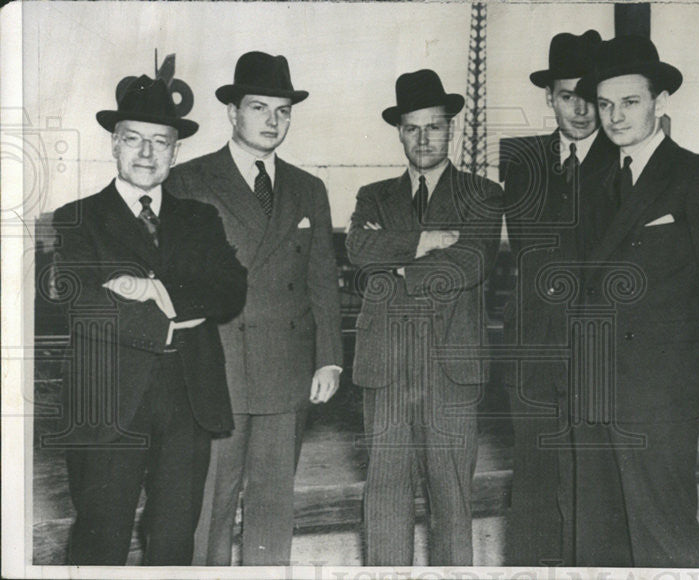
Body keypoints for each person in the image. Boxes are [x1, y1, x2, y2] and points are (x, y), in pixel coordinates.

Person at [48, 75, 247, 565]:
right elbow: (84, 304)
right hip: (108, 405)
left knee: (175, 541)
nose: (146, 152)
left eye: (161, 142)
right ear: (115, 144)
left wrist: (153, 290)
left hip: (188, 402)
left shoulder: (200, 218)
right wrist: (172, 321)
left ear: (175, 153)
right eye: (134, 139)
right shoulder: (78, 218)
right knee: (101, 538)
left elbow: (230, 289)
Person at [572, 35, 699, 568]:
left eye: (630, 102)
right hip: (593, 383)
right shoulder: (593, 179)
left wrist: (689, 367)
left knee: (661, 531)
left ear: (660, 102)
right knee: (599, 533)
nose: (615, 116)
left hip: (658, 389)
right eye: (605, 105)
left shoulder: (697, 177)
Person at [168, 51, 344, 566]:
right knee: (209, 509)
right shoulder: (191, 181)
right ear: (233, 113)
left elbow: (321, 281)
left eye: (283, 111)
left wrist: (329, 358)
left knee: (273, 508)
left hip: (288, 372)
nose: (272, 121)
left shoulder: (309, 188)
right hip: (217, 366)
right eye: (259, 108)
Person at [346, 69, 502, 566]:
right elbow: (356, 247)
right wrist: (425, 242)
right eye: (412, 128)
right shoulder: (373, 195)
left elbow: (472, 262)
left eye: (434, 126)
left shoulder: (482, 193)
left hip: (450, 369)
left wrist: (392, 266)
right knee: (384, 494)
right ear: (399, 132)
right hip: (385, 367)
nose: (423, 138)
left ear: (451, 128)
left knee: (451, 498)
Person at [498, 29, 616, 567]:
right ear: (549, 96)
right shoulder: (519, 159)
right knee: (535, 486)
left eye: (592, 97)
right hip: (536, 354)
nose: (582, 109)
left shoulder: (625, 160)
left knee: (596, 488)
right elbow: (530, 253)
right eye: (569, 96)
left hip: (601, 354)